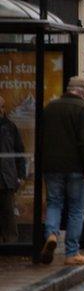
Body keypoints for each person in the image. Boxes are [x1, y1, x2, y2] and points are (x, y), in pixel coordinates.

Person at [40, 76, 84, 265]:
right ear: (83, 91)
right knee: (76, 209)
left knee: (54, 203)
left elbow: (42, 138)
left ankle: (51, 235)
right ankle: (71, 253)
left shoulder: (50, 107)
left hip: (52, 166)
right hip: (76, 168)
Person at [0, 96, 25, 243]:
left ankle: (10, 242)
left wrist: (20, 174)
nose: (0, 110)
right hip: (6, 175)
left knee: (8, 212)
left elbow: (19, 151)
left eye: (2, 107)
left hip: (7, 177)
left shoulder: (10, 126)